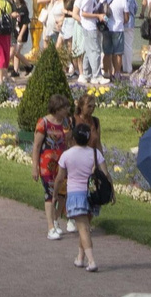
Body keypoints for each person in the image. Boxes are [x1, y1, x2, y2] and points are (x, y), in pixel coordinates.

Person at [56, 122, 103, 271]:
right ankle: (80, 258)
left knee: (83, 229)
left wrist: (55, 193)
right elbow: (106, 174)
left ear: (74, 137)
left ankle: (91, 261)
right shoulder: (96, 153)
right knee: (85, 227)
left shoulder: (67, 155)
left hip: (76, 195)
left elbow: (59, 178)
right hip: (92, 195)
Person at [34, 95, 77, 240]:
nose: (68, 110)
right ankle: (50, 227)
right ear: (57, 109)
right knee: (50, 194)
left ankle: (56, 219)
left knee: (63, 195)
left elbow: (70, 141)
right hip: (47, 165)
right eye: (65, 108)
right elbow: (37, 146)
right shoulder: (43, 123)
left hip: (63, 164)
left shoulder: (67, 122)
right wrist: (35, 167)